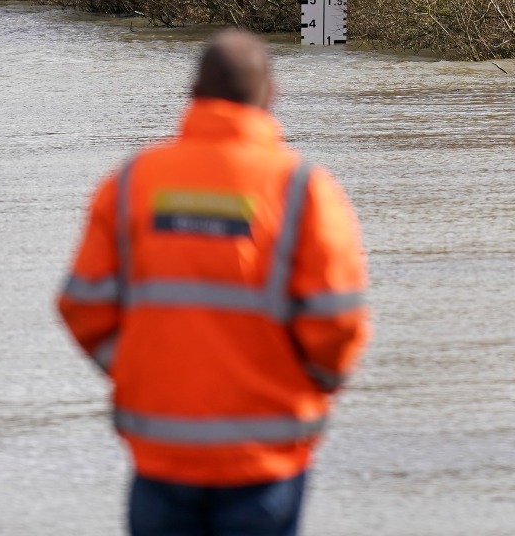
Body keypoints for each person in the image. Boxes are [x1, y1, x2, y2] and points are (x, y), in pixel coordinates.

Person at [57, 29, 371, 536]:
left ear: (193, 94)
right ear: (272, 95)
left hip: (162, 449)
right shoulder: (303, 190)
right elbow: (337, 318)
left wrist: (135, 372)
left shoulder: (133, 182)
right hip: (265, 454)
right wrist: (317, 382)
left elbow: (82, 305)